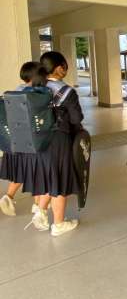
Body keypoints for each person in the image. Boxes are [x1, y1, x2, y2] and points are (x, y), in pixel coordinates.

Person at [30, 51, 83, 236]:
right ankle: (59, 224)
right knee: (60, 178)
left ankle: (41, 210)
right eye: (65, 66)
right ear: (60, 68)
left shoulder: (35, 87)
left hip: (38, 139)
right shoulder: (66, 91)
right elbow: (76, 119)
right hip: (58, 139)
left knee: (48, 175)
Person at [0, 62, 50, 217]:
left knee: (23, 172)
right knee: (36, 173)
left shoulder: (15, 91)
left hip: (15, 141)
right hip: (32, 142)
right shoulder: (37, 94)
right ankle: (37, 205)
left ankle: (8, 197)